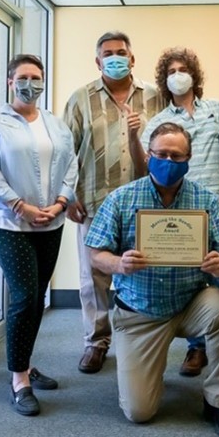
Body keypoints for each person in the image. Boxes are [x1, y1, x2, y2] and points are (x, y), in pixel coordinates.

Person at [86, 122, 219, 437]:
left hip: (190, 303)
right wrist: (119, 263)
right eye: (162, 154)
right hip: (140, 312)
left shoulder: (207, 201)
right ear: (148, 156)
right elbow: (94, 253)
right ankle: (148, 374)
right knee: (139, 412)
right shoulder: (121, 199)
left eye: (177, 156)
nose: (169, 162)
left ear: (188, 159)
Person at [130, 46, 219, 380]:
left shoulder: (218, 109)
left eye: (183, 69)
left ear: (194, 76)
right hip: (179, 209)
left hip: (216, 206)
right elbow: (145, 167)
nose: (177, 75)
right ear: (164, 81)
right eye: (170, 72)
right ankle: (197, 349)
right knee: (192, 280)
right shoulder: (158, 122)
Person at [0, 54, 77, 416]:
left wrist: (61, 202)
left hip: (51, 221)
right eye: (23, 77)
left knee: (37, 298)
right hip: (9, 222)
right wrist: (21, 207)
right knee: (23, 295)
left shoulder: (55, 124)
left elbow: (71, 165)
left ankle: (26, 362)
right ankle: (19, 378)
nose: (30, 83)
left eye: (36, 77)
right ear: (9, 81)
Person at [63, 31, 165, 374]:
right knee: (94, 275)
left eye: (122, 52)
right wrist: (68, 197)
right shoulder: (80, 99)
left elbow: (168, 145)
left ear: (133, 59)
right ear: (97, 61)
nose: (115, 57)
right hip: (95, 200)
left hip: (145, 202)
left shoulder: (155, 97)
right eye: (108, 53)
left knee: (143, 270)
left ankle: (141, 339)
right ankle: (96, 341)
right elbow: (66, 152)